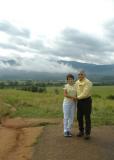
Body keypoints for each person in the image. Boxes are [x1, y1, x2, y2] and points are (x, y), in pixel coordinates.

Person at [75, 70, 92, 139]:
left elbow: (85, 93)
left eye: (81, 74)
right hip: (79, 102)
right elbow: (75, 91)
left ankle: (87, 133)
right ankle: (81, 131)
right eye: (79, 74)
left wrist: (76, 98)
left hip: (86, 101)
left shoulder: (88, 82)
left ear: (84, 75)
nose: (80, 76)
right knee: (79, 117)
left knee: (87, 117)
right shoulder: (77, 82)